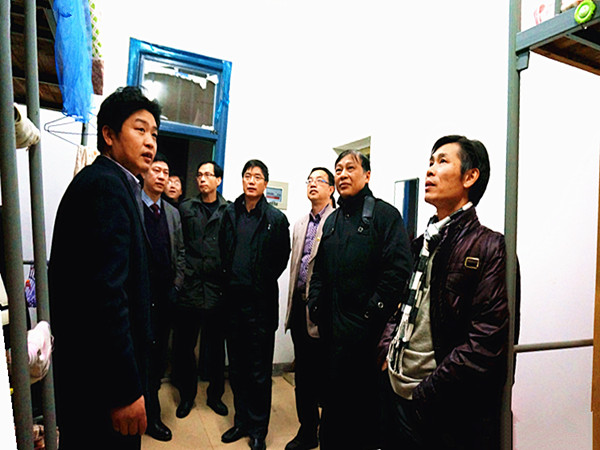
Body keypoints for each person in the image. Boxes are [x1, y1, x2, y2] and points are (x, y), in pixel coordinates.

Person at [380, 135, 515, 449]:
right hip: (396, 389)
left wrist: (426, 392)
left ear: (470, 177)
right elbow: (401, 306)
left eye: (442, 161)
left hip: (435, 403)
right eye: (430, 162)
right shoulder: (423, 242)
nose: (430, 170)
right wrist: (385, 350)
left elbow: (485, 342)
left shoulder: (488, 246)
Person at [48, 86, 160, 449]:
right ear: (109, 135)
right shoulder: (105, 189)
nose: (150, 141)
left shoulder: (115, 184)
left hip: (94, 375)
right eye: (140, 129)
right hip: (100, 384)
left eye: (154, 134)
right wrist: (125, 391)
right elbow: (105, 298)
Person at [307, 150, 412, 449]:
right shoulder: (333, 220)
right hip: (331, 335)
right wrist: (315, 303)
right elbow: (319, 270)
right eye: (338, 169)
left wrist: (371, 312)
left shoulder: (384, 215)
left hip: (366, 338)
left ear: (367, 175)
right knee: (332, 413)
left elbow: (398, 270)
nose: (342, 174)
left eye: (350, 168)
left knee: (363, 417)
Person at [219, 159, 291, 450]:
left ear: (265, 184)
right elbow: (222, 249)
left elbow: (282, 257)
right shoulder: (229, 213)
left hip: (260, 308)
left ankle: (258, 429)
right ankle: (241, 422)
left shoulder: (275, 219)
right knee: (237, 369)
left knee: (259, 373)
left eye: (257, 177)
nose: (251, 181)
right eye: (247, 175)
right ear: (242, 180)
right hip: (232, 305)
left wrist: (260, 280)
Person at [171, 160, 230, 419]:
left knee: (215, 348)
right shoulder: (186, 208)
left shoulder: (229, 211)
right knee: (185, 347)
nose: (203, 179)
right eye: (199, 175)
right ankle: (187, 396)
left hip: (217, 289)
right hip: (191, 287)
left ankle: (215, 395)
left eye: (208, 175)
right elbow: (178, 245)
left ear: (218, 180)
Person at [284, 167, 335, 450]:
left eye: (320, 180)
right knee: (303, 376)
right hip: (299, 308)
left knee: (326, 376)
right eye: (310, 180)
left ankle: (328, 431)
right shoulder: (300, 224)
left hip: (324, 313)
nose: (313, 184)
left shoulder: (337, 221)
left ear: (331, 189)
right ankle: (307, 431)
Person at [140, 153, 185, 441]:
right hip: (138, 298)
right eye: (156, 170)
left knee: (157, 359)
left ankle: (151, 414)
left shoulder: (171, 213)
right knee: (137, 357)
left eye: (165, 172)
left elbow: (180, 253)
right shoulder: (132, 205)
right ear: (145, 173)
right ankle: (140, 412)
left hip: (165, 297)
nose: (161, 176)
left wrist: (176, 286)